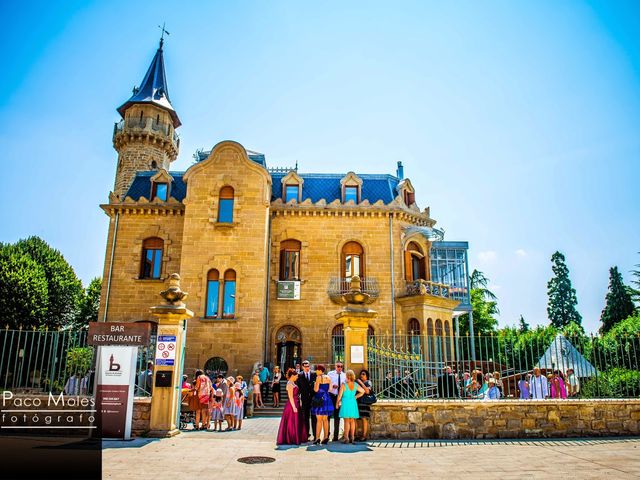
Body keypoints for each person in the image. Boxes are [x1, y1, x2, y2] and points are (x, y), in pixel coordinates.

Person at [276, 368, 308, 445]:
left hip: (296, 403)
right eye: (296, 376)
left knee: (296, 421)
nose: (297, 377)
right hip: (292, 405)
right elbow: (290, 397)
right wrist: (294, 407)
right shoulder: (289, 384)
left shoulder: (293, 383)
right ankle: (291, 438)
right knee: (292, 422)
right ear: (292, 375)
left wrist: (299, 401)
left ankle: (296, 437)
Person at [337, 369, 364, 444]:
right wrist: (356, 397)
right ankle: (352, 437)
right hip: (353, 402)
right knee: (352, 421)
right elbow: (363, 391)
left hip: (346, 403)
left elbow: (339, 395)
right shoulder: (355, 384)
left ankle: (346, 438)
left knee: (346, 421)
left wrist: (337, 403)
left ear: (347, 376)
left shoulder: (344, 385)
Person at [311, 364, 334, 444]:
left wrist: (315, 385)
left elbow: (316, 390)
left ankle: (317, 438)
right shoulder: (328, 377)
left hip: (319, 398)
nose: (316, 371)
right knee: (325, 419)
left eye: (317, 369)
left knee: (319, 420)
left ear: (320, 370)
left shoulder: (318, 377)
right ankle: (326, 437)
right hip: (327, 399)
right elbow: (330, 389)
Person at [296, 360, 317, 441]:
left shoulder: (314, 374)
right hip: (304, 400)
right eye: (305, 366)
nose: (307, 368)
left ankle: (316, 435)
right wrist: (299, 399)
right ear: (302, 367)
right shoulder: (299, 375)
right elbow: (298, 388)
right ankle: (306, 435)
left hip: (313, 399)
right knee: (305, 418)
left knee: (314, 417)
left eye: (308, 366)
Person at [327, 362, 346, 441]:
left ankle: (335, 436)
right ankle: (327, 435)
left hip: (339, 397)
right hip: (331, 396)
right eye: (338, 366)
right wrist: (332, 386)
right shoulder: (330, 374)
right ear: (335, 366)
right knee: (328, 416)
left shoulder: (344, 375)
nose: (340, 368)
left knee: (337, 417)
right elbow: (326, 384)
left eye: (341, 366)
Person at [356, 369, 373, 442]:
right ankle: (356, 435)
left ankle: (364, 436)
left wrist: (361, 383)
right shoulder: (358, 383)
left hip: (365, 403)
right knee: (356, 419)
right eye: (361, 374)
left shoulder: (368, 382)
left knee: (364, 419)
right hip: (358, 403)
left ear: (367, 376)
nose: (361, 375)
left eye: (363, 374)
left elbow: (367, 391)